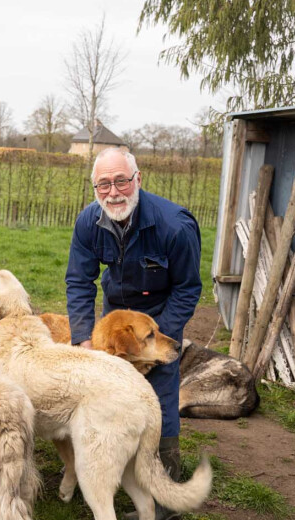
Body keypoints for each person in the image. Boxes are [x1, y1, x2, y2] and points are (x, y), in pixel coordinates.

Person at [65, 147, 201, 520]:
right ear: (95, 188)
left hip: (159, 316)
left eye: (121, 181)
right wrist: (83, 339)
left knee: (158, 398)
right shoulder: (89, 222)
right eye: (104, 184)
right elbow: (79, 280)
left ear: (138, 179)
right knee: (111, 397)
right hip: (118, 313)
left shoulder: (174, 226)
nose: (114, 192)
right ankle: (104, 475)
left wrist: (154, 342)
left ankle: (167, 500)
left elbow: (189, 287)